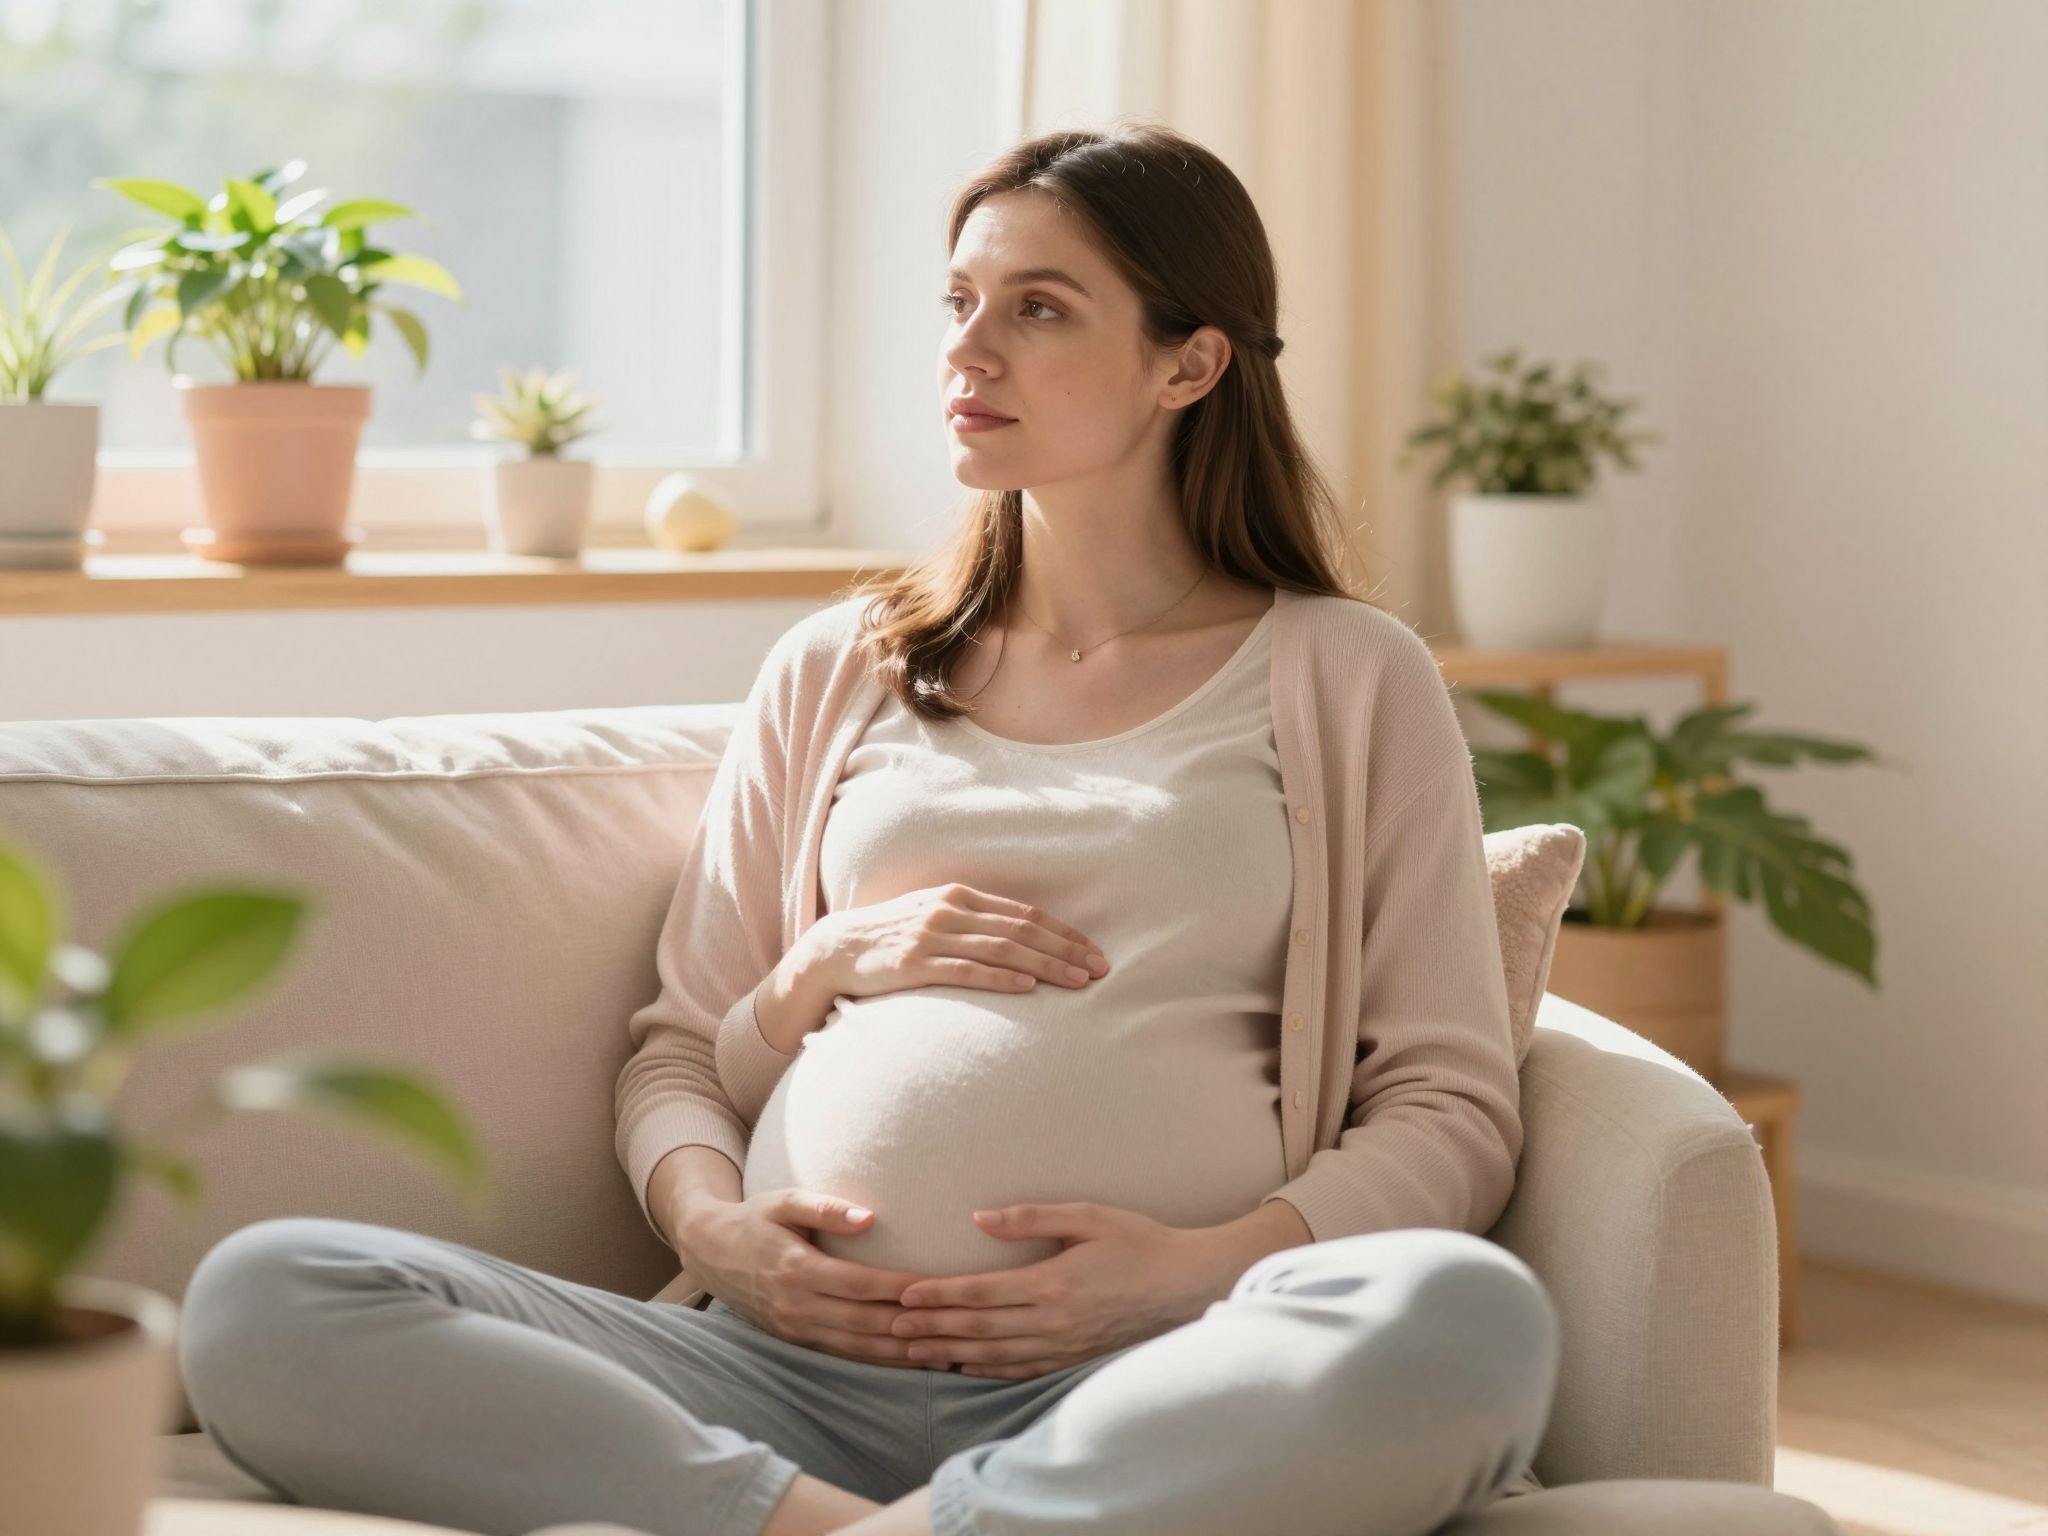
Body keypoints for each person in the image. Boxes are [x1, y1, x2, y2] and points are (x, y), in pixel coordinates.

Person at [178, 119, 1558, 1536]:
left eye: (1038, 309)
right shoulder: (843, 664)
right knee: (269, 1297)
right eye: (960, 303)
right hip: (770, 1376)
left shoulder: (1346, 674)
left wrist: (1199, 1268)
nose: (969, 352)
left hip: (1155, 1379)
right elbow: (680, 1057)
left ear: (1189, 363)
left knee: (1463, 1319)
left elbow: (1449, 1109)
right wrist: (725, 1215)